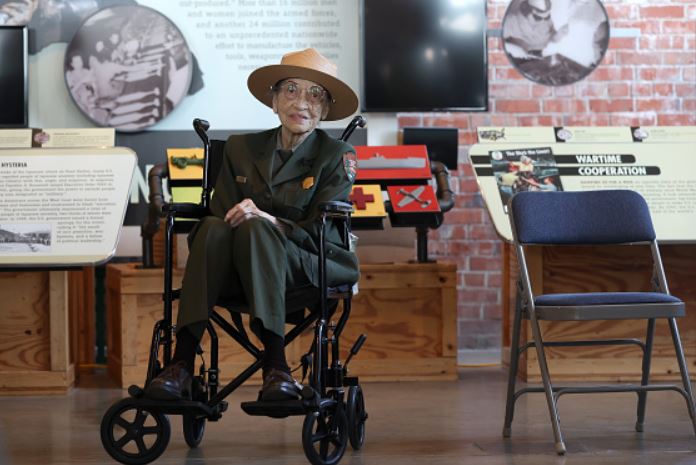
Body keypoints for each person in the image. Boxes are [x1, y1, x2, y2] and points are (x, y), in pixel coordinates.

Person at [145, 48, 360, 402]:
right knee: (213, 227)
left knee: (258, 227)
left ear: (323, 110)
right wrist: (250, 223)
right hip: (235, 266)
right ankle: (180, 363)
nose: (301, 102)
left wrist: (271, 221)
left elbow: (319, 235)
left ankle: (276, 365)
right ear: (273, 100)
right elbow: (220, 214)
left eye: (314, 94)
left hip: (306, 265)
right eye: (290, 89)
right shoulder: (242, 148)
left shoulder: (335, 156)